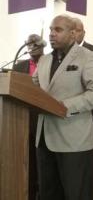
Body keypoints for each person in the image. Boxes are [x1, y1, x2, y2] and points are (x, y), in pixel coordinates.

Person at [32, 14, 93, 200]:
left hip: (75, 141)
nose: (51, 34)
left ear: (73, 34)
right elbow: (32, 89)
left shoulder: (88, 57)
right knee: (48, 194)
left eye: (58, 30)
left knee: (77, 195)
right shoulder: (44, 60)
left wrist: (61, 106)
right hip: (45, 140)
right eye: (50, 30)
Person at [13, 34, 45, 200]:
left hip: (43, 118)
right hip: (23, 119)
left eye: (35, 44)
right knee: (27, 162)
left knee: (42, 164)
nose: (32, 47)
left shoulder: (50, 63)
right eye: (29, 44)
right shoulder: (19, 65)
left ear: (42, 45)